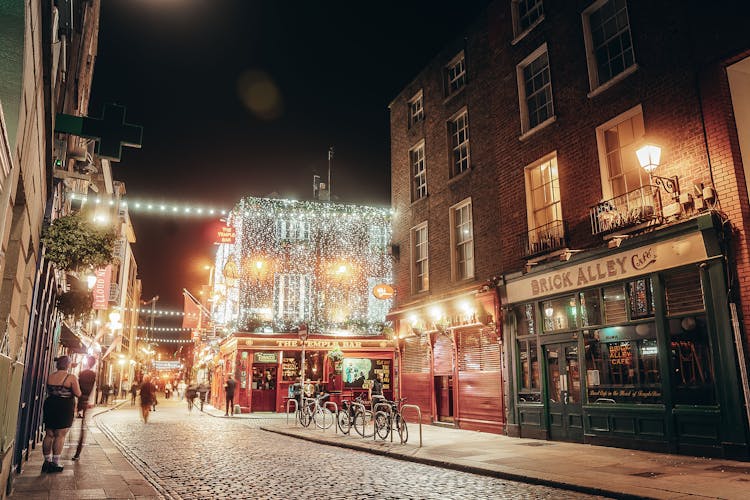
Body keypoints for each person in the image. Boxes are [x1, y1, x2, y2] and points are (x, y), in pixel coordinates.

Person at [42, 356, 81, 473]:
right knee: (60, 434)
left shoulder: (51, 376)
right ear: (68, 365)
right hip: (64, 407)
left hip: (50, 404)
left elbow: (49, 391)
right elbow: (78, 393)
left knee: (49, 434)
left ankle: (46, 462)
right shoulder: (71, 377)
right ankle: (55, 463)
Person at [73, 356, 97, 460]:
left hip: (79, 400)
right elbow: (94, 389)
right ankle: (77, 453)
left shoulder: (81, 373)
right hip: (86, 402)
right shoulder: (93, 374)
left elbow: (77, 387)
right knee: (83, 428)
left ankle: (74, 450)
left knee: (73, 424)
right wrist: (91, 402)